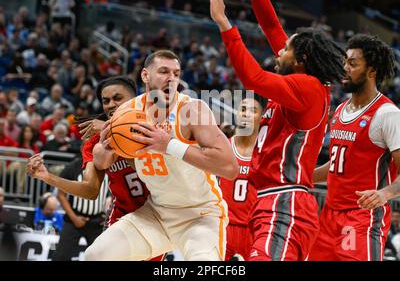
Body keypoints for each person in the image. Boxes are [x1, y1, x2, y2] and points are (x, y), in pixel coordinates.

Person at [206, 0, 345, 260]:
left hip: (286, 202)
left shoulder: (308, 88)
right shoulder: (298, 80)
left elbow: (252, 77)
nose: (279, 50)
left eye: (287, 48)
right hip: (271, 201)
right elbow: (271, 26)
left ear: (302, 58)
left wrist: (223, 22)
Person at [87, 50, 238, 261]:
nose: (172, 79)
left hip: (200, 215)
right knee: (95, 255)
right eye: (164, 71)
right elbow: (102, 162)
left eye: (176, 73)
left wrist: (169, 145)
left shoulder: (192, 110)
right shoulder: (127, 113)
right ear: (145, 76)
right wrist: (105, 149)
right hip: (157, 212)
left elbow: (230, 167)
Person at [27, 76, 163, 260]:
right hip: (120, 217)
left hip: (156, 215)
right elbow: (90, 190)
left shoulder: (154, 127)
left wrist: (115, 129)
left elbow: (154, 174)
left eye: (117, 98)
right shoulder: (94, 142)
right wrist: (48, 177)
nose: (110, 105)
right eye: (106, 101)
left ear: (134, 100)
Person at [310, 34, 400, 261]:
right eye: (344, 62)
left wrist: (384, 193)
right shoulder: (340, 110)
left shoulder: (387, 114)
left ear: (372, 71)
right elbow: (338, 165)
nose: (344, 68)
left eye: (352, 63)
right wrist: (302, 177)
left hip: (362, 218)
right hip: (329, 216)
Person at [219, 93, 265, 260]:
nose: (246, 114)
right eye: (243, 109)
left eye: (253, 111)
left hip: (255, 230)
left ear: (262, 118)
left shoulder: (266, 153)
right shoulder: (223, 147)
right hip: (224, 226)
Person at [52, 156, 108, 261]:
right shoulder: (72, 167)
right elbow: (61, 195)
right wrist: (74, 218)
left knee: (101, 257)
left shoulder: (107, 166)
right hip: (74, 219)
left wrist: (108, 215)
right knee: (61, 256)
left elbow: (113, 193)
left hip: (97, 221)